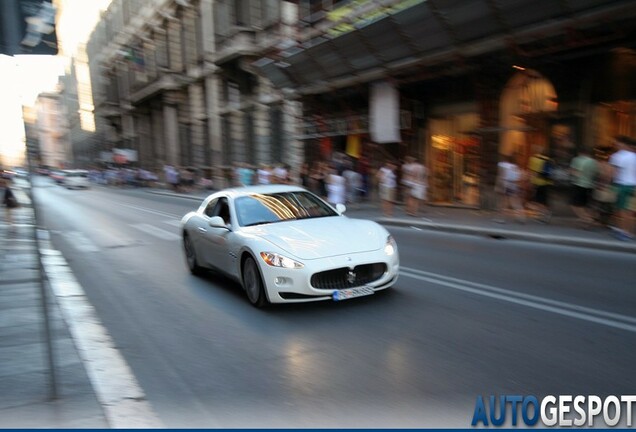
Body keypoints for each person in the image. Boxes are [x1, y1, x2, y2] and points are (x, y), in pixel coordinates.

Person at [608, 135, 636, 241]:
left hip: (622, 185)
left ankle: (624, 232)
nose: (615, 145)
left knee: (622, 211)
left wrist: (609, 183)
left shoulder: (617, 156)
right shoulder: (634, 156)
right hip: (633, 186)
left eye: (616, 143)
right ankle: (630, 232)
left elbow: (613, 172)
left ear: (622, 143)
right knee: (630, 211)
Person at [569, 148, 599, 228]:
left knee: (574, 204)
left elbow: (573, 172)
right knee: (584, 204)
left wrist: (574, 175)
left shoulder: (577, 160)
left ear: (580, 153)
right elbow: (597, 173)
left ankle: (587, 219)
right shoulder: (594, 162)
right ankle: (585, 220)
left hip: (579, 184)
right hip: (590, 185)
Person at [494, 155, 526, 223]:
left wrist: (498, 186)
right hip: (514, 185)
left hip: (506, 185)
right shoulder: (515, 167)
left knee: (503, 203)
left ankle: (501, 219)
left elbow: (501, 176)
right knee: (515, 202)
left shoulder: (503, 165)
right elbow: (519, 177)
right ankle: (521, 217)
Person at [527, 148, 554, 223]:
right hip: (548, 183)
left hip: (538, 182)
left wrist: (530, 182)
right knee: (543, 199)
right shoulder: (550, 160)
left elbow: (533, 172)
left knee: (538, 200)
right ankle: (544, 214)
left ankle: (545, 213)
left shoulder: (533, 159)